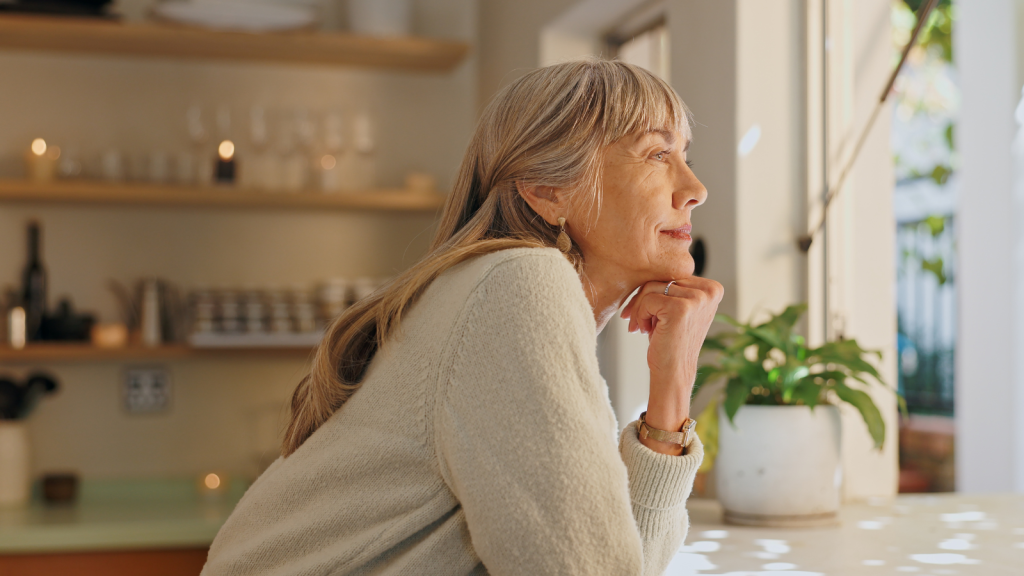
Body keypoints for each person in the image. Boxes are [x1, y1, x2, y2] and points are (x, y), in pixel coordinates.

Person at [201, 59, 723, 576]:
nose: (695, 187)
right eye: (658, 154)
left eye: (684, 155)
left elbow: (623, 560)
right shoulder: (518, 283)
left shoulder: (501, 289)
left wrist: (672, 385)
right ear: (547, 191)